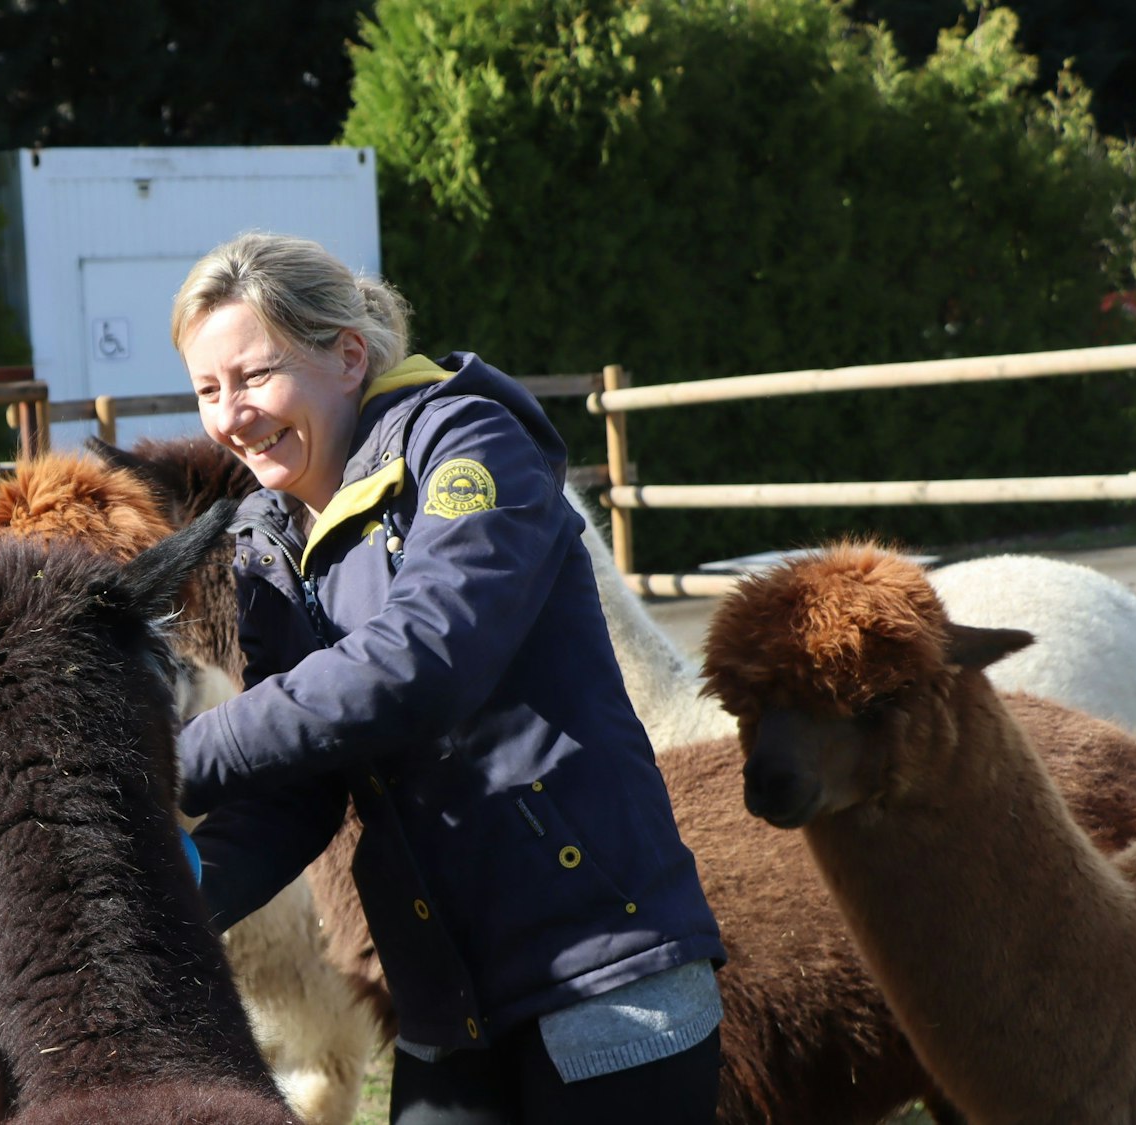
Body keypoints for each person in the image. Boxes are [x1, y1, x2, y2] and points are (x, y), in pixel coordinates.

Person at [172, 232, 726, 1124]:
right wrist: (162, 884)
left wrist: (172, 755)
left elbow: (423, 661)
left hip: (602, 972)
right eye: (208, 390)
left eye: (255, 376)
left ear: (348, 355)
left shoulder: (468, 446)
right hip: (447, 1005)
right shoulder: (269, 542)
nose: (231, 414)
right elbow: (298, 788)